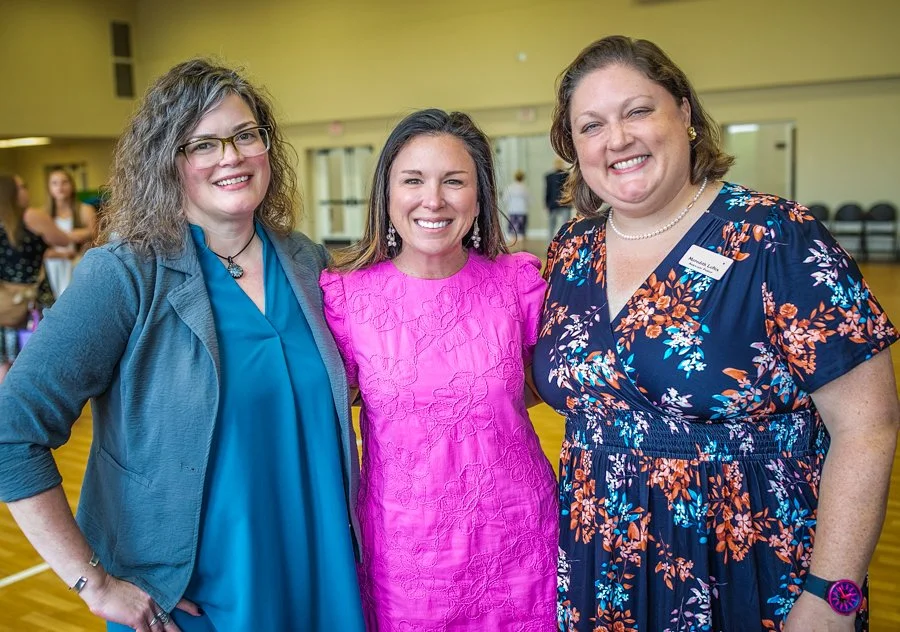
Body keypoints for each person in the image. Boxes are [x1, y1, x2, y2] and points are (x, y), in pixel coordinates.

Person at [535, 35, 899, 632]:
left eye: (637, 110)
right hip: (601, 564)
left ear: (685, 113)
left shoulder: (774, 236)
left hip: (750, 561)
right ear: (574, 149)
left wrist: (831, 595)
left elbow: (868, 426)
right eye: (590, 125)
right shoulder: (571, 253)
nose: (617, 139)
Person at [0, 59, 365, 632]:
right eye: (204, 143)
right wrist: (92, 582)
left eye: (246, 135)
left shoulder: (305, 263)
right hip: (199, 600)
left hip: (322, 574)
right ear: (167, 161)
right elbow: (12, 430)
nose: (232, 156)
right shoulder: (124, 276)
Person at [319, 109, 557, 630]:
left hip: (519, 539)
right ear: (387, 193)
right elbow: (339, 404)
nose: (433, 199)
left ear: (479, 195)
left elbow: (540, 388)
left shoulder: (517, 282)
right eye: (413, 180)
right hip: (406, 552)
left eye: (454, 181)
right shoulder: (346, 297)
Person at [0, 174, 72, 383]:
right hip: (33, 300)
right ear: (12, 192)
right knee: (37, 359)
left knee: (5, 361)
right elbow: (62, 239)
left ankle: (5, 411)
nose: (26, 190)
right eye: (22, 186)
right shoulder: (31, 216)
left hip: (4, 302)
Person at [42, 168, 97, 298]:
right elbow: (41, 246)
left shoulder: (84, 209)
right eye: (54, 183)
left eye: (64, 182)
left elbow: (97, 235)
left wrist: (82, 234)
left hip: (79, 261)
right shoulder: (43, 214)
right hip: (54, 265)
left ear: (72, 185)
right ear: (49, 188)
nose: (60, 187)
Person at [544, 157, 571, 241]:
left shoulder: (567, 175)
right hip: (555, 204)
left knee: (565, 226)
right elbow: (547, 191)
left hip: (563, 204)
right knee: (553, 226)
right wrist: (546, 204)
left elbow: (569, 190)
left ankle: (564, 243)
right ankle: (551, 244)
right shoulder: (549, 176)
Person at [502, 169, 530, 241]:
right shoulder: (525, 188)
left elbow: (505, 199)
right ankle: (521, 249)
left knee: (512, 232)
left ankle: (513, 250)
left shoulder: (510, 187)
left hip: (512, 211)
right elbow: (529, 200)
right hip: (522, 211)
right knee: (521, 233)